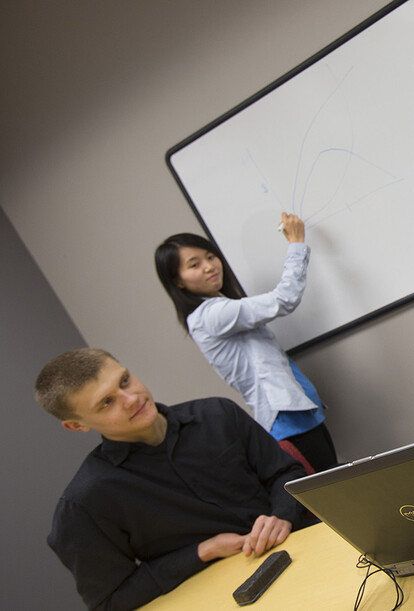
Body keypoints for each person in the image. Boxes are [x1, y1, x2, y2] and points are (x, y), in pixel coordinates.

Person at [36, 348, 310, 610]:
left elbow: (287, 473)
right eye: (107, 402)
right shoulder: (86, 501)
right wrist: (202, 551)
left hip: (301, 547)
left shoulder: (218, 413)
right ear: (77, 425)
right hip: (221, 596)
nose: (131, 398)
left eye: (125, 381)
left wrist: (282, 514)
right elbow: (111, 600)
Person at [155, 212, 338, 472]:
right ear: (177, 280)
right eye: (194, 265)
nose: (209, 266)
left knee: (337, 480)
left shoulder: (220, 308)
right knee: (332, 490)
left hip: (297, 412)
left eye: (210, 257)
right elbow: (283, 299)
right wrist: (296, 243)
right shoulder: (210, 316)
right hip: (286, 419)